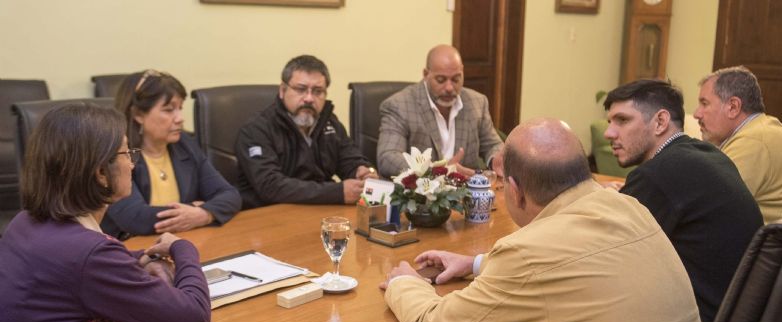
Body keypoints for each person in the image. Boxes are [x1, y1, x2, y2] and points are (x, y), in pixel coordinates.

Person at [381, 118, 704, 322]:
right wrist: (475, 264)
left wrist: (404, 282)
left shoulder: (530, 254)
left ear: (515, 191)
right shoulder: (630, 209)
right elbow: (569, 261)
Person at [0, 103, 247, 322]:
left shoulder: (26, 222)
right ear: (101, 173)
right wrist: (183, 249)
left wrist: (138, 258)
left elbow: (76, 272)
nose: (132, 164)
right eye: (126, 153)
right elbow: (193, 317)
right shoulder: (90, 255)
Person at [604, 79, 763, 322]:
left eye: (622, 120)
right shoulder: (707, 155)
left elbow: (604, 252)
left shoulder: (658, 174)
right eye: (609, 122)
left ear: (660, 122)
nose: (609, 133)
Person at [101, 70, 241, 240]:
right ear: (138, 114)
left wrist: (203, 213)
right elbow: (136, 218)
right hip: (129, 247)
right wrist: (194, 208)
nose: (180, 118)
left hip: (181, 242)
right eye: (168, 110)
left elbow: (230, 195)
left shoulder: (184, 144)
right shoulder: (117, 154)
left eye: (180, 108)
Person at [235, 55, 376, 208]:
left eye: (318, 91)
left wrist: (361, 171)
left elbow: (349, 159)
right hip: (268, 213)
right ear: (282, 90)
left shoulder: (329, 122)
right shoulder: (256, 129)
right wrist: (337, 192)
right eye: (301, 89)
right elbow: (270, 186)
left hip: (320, 210)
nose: (309, 98)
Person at [376, 44, 503, 178]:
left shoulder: (477, 102)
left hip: (467, 188)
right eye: (441, 80)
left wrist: (496, 159)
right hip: (423, 189)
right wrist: (435, 170)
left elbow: (493, 145)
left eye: (456, 79)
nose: (449, 88)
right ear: (426, 74)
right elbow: (388, 158)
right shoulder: (399, 105)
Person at [693, 66, 782, 222]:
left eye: (704, 103)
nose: (697, 114)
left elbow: (705, 206)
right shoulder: (761, 129)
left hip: (763, 237)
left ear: (733, 107)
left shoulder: (755, 141)